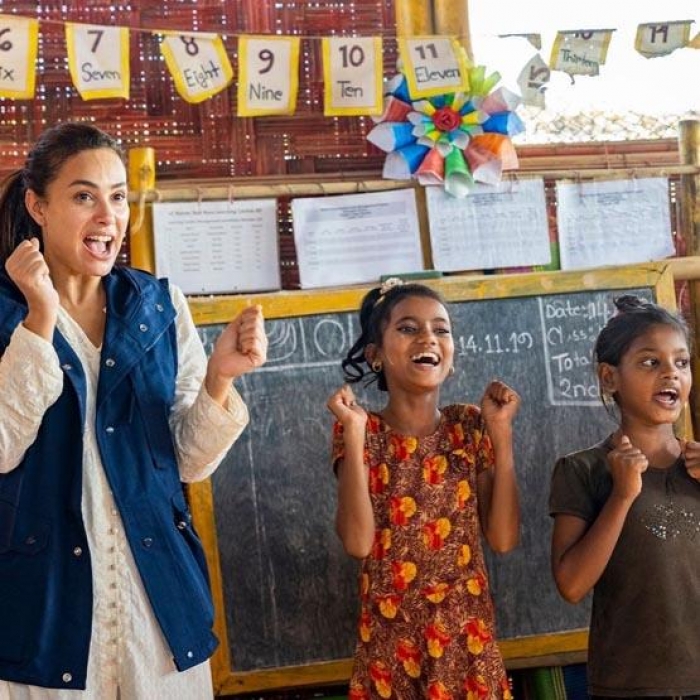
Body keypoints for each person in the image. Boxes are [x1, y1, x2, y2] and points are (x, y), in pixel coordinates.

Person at [0, 122, 268, 699]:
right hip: (43, 612)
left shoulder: (159, 306)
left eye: (118, 196)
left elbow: (189, 462)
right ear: (37, 206)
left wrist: (220, 378)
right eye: (84, 196)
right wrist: (39, 317)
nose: (108, 216)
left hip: (158, 607)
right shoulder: (4, 312)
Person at [327, 279, 521, 699]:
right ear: (375, 355)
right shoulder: (363, 431)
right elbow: (358, 543)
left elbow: (503, 539)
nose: (428, 338)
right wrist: (354, 434)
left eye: (440, 329)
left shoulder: (467, 425)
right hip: (392, 651)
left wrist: (501, 433)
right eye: (408, 328)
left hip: (466, 646)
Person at [549, 295, 700, 699]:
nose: (670, 374)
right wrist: (622, 496)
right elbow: (571, 585)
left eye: (681, 362)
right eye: (651, 362)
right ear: (609, 377)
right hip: (630, 685)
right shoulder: (583, 470)